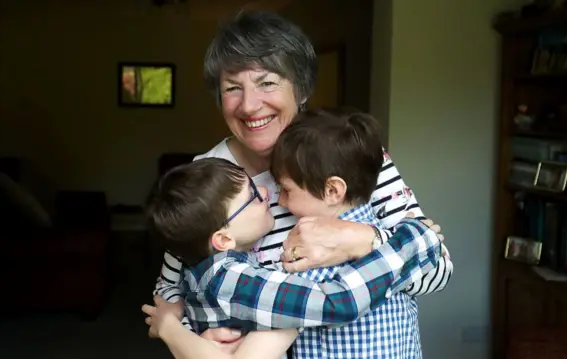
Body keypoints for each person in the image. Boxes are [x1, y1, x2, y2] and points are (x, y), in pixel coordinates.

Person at [148, 10, 453, 353]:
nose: (249, 106)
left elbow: (438, 269)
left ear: (301, 88)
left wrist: (363, 239)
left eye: (267, 82)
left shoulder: (349, 150)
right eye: (232, 88)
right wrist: (195, 333)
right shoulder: (206, 175)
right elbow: (170, 289)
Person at [142, 112, 443, 357]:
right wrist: (415, 238)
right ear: (222, 239)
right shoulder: (247, 275)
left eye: (283, 189)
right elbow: (337, 302)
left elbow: (441, 269)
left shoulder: (339, 157)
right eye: (254, 195)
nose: (270, 195)